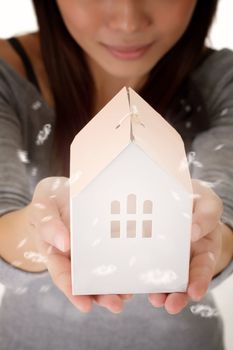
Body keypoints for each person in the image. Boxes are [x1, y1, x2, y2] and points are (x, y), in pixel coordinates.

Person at [0, 0, 232, 349]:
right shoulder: (7, 73)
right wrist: (41, 233)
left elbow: (224, 209)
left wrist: (207, 237)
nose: (127, 21)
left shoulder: (223, 81)